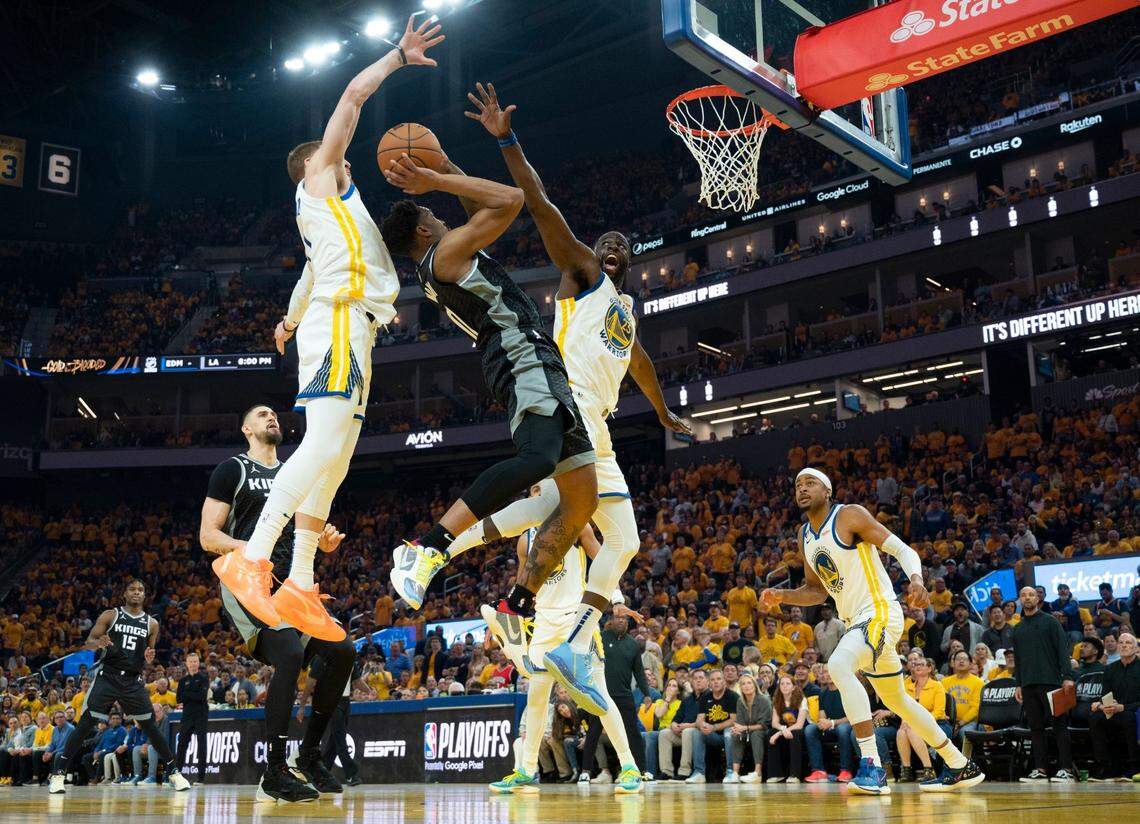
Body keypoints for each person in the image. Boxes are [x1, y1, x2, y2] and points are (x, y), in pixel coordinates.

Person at [391, 82, 689, 716]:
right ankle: (448, 560)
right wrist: (506, 141)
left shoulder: (624, 311)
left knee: (568, 505)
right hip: (555, 384)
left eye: (620, 247)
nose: (609, 249)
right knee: (609, 529)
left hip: (582, 402)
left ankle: (519, 606)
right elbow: (537, 203)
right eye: (601, 244)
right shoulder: (581, 273)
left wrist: (665, 415)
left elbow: (639, 363)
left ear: (630, 262)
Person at [213, 14, 443, 639]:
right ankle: (254, 557)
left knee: (336, 459)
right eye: (333, 154)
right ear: (314, 164)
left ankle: (302, 582)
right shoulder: (319, 181)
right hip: (341, 324)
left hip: (351, 326)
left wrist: (287, 321)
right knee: (319, 446)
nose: (344, 160)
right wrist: (398, 56)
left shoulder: (339, 212)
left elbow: (313, 274)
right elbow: (351, 97)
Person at [379, 153, 598, 695]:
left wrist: (450, 165)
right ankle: (428, 545)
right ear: (426, 228)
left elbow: (484, 204)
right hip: (522, 357)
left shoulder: (441, 256)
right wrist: (433, 177)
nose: (447, 217)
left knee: (581, 501)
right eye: (436, 210)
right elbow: (510, 200)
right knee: (538, 459)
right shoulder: (445, 252)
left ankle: (516, 606)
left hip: (536, 364)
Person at [761, 468, 983, 795]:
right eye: (797, 485)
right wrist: (783, 596)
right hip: (857, 622)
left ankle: (872, 766)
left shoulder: (850, 516)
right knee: (899, 701)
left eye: (810, 483)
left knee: (837, 665)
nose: (802, 489)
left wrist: (917, 580)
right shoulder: (804, 535)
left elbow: (904, 551)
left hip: (879, 611)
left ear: (827, 490)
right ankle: (957, 762)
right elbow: (817, 591)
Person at [200, 407, 357, 802]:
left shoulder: (296, 470)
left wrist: (321, 542)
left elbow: (305, 529)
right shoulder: (231, 470)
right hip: (250, 580)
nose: (271, 416)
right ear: (246, 427)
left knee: (342, 652)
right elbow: (208, 536)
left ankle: (309, 755)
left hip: (292, 582)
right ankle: (274, 770)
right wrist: (252, 549)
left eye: (274, 413)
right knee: (288, 652)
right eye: (261, 414)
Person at [489, 511, 643, 794]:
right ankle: (526, 770)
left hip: (578, 618)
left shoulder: (576, 523)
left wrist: (617, 599)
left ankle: (629, 767)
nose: (540, 493)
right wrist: (505, 617)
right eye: (536, 488)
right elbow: (523, 584)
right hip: (543, 622)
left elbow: (602, 559)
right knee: (536, 698)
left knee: (599, 695)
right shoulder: (526, 539)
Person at [49, 580, 190, 793]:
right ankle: (58, 775)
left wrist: (149, 657)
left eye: (140, 590)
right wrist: (100, 643)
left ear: (145, 595)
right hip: (108, 676)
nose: (136, 593)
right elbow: (89, 642)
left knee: (150, 725)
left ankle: (175, 773)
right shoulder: (111, 615)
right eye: (132, 589)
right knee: (86, 723)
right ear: (124, 593)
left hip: (133, 680)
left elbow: (147, 653)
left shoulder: (152, 624)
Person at [1012, 586, 1076, 783]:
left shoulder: (1050, 621)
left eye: (1031, 594)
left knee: (1059, 725)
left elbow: (1062, 651)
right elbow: (1019, 659)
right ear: (1020, 600)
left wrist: (1067, 676)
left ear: (1038, 598)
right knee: (1036, 728)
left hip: (1052, 682)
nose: (1028, 598)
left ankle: (1066, 768)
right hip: (1029, 684)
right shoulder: (1018, 628)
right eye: (1024, 595)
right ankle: (1040, 769)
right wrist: (1019, 684)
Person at [295, 650, 361, 787]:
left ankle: (324, 770)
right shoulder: (321, 658)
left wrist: (370, 690)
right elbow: (310, 682)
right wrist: (302, 706)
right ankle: (351, 773)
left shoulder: (349, 658)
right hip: (329, 700)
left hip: (345, 701)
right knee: (340, 736)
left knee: (334, 739)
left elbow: (357, 681)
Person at [1087, 631, 1140, 781]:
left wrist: (1123, 707)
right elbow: (1105, 694)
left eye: (1128, 643)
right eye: (1121, 642)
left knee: (1129, 718)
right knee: (1095, 717)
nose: (1124, 645)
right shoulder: (1110, 669)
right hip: (1113, 710)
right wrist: (1103, 706)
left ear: (1136, 649)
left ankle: (1134, 767)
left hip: (1133, 711)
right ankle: (1105, 767)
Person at [896, 653, 949, 783]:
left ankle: (929, 769)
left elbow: (939, 711)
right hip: (912, 724)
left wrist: (919, 722)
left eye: (921, 664)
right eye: (915, 665)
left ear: (929, 669)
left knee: (912, 729)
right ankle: (907, 770)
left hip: (938, 723)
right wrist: (905, 721)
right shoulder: (908, 687)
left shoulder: (937, 686)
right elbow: (904, 709)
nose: (917, 666)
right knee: (901, 731)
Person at [686, 669, 738, 784]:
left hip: (729, 735)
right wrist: (702, 725)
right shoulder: (705, 697)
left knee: (729, 731)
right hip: (712, 736)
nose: (716, 682)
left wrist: (713, 727)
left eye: (719, 679)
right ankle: (699, 772)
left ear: (724, 681)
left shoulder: (732, 696)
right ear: (709, 683)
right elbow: (699, 720)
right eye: (713, 680)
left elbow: (734, 720)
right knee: (696, 732)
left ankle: (730, 771)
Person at [804, 667, 855, 783]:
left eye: (831, 671)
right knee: (810, 729)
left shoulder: (847, 690)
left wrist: (832, 723)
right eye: (825, 672)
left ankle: (846, 770)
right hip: (830, 727)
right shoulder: (823, 693)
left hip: (847, 726)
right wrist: (823, 722)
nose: (828, 674)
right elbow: (822, 715)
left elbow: (853, 716)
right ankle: (818, 771)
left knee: (842, 729)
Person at [658, 669, 707, 780]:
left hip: (699, 732)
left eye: (701, 678)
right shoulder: (687, 700)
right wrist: (674, 726)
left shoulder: (710, 697)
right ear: (691, 682)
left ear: (707, 681)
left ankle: (685, 771)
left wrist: (687, 726)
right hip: (683, 733)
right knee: (664, 733)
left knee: (688, 731)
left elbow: (708, 721)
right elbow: (677, 718)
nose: (698, 681)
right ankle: (666, 771)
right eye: (695, 678)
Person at [724, 672, 770, 784]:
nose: (746, 686)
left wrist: (745, 728)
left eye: (749, 683)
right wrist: (737, 729)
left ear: (754, 685)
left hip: (763, 731)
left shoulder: (764, 700)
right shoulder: (740, 701)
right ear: (740, 687)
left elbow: (764, 724)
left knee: (756, 734)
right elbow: (739, 722)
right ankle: (735, 773)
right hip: (747, 730)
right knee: (735, 735)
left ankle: (757, 773)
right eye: (743, 684)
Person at [175, 652, 209, 785]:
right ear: (187, 663)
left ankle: (201, 778)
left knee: (202, 745)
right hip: (187, 716)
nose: (193, 664)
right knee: (182, 744)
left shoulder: (204, 678)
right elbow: (178, 698)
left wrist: (187, 694)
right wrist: (193, 694)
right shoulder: (183, 680)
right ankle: (177, 775)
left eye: (195, 661)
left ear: (198, 663)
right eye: (191, 662)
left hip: (201, 715)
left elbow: (201, 696)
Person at [767, 674, 807, 783]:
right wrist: (782, 730)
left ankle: (795, 775)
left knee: (794, 734)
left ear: (793, 687)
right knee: (771, 733)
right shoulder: (777, 700)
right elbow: (774, 722)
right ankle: (776, 774)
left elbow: (799, 724)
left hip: (799, 731)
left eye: (788, 683)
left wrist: (780, 733)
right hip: (784, 729)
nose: (784, 686)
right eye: (782, 684)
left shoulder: (801, 699)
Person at [942, 650, 984, 741]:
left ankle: (967, 756)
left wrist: (960, 724)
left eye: (964, 659)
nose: (961, 661)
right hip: (948, 722)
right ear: (953, 663)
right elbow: (941, 704)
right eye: (958, 659)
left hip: (971, 722)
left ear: (970, 663)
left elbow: (976, 708)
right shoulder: (944, 682)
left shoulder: (978, 682)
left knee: (964, 733)